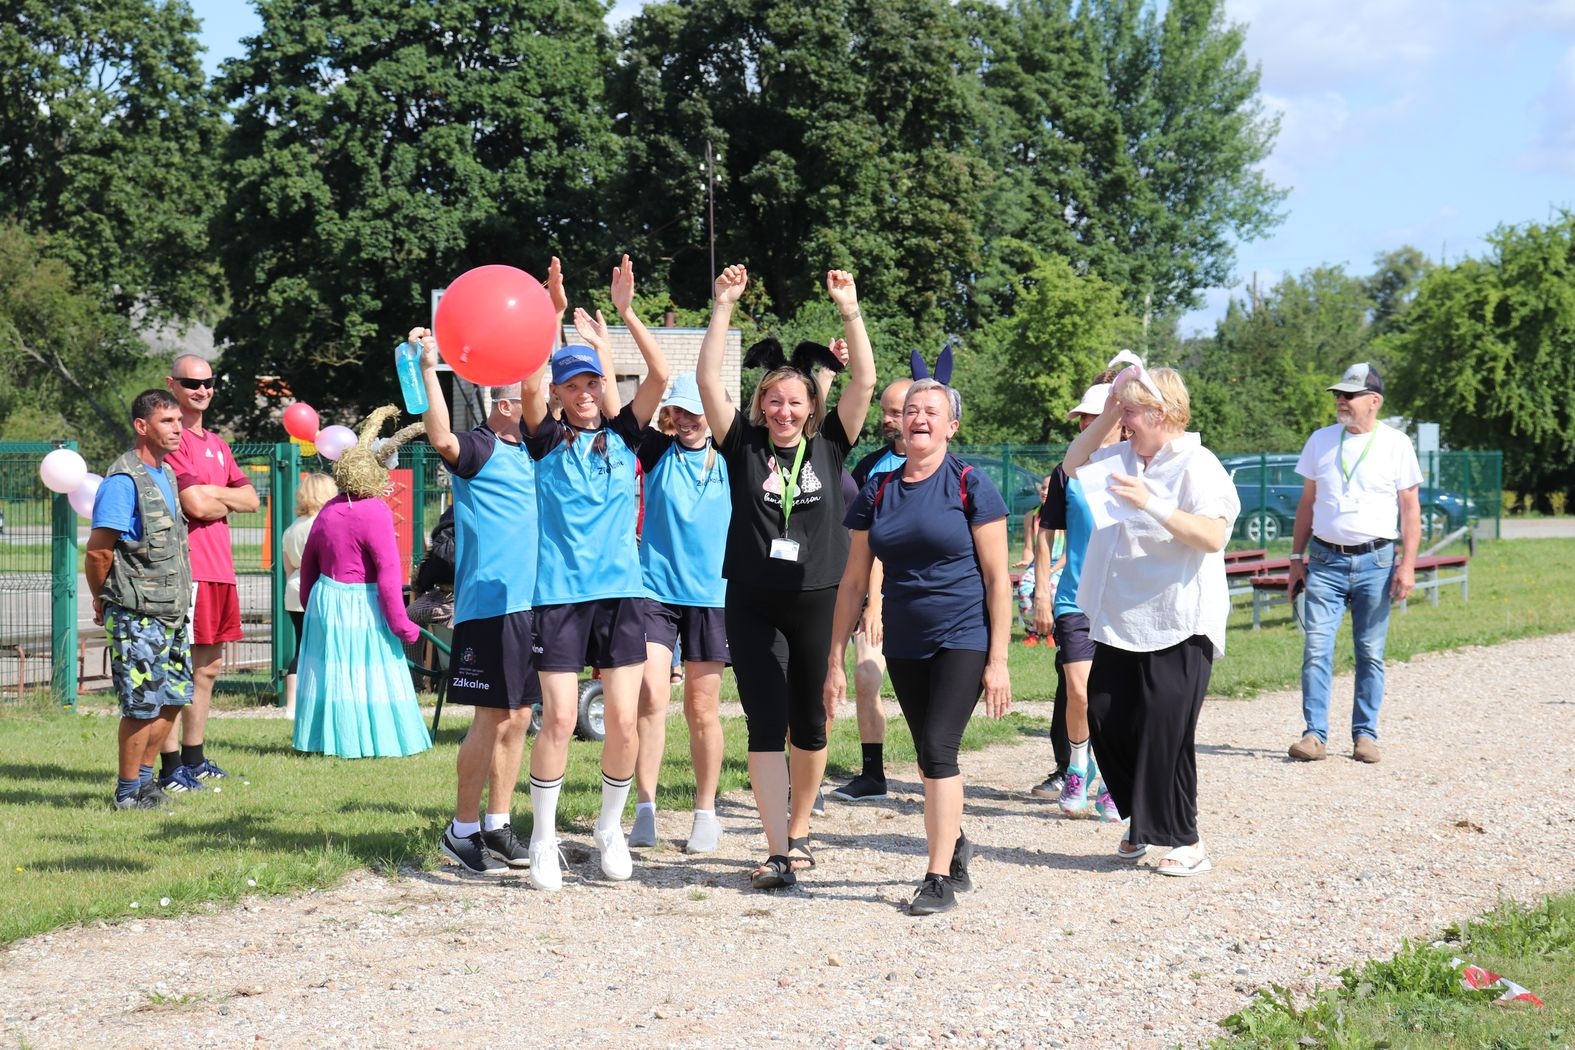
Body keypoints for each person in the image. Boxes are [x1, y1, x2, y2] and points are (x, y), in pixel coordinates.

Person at [420, 258, 618, 876]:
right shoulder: (478, 445)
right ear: (497, 402)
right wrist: (430, 371)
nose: (526, 401)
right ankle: (462, 828)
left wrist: (553, 319)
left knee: (522, 718)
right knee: (491, 719)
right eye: (514, 394)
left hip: (534, 602)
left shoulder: (536, 450)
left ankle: (501, 824)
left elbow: (547, 387)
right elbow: (440, 439)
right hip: (490, 604)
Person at [696, 263, 876, 890]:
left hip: (817, 598)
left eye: (794, 400)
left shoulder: (831, 442)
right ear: (760, 405)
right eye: (773, 399)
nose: (783, 409)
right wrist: (723, 306)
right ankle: (776, 849)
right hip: (752, 600)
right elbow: (705, 379)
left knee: (812, 720)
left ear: (811, 407)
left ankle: (799, 831)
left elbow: (866, 381)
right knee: (765, 721)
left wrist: (849, 310)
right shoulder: (740, 443)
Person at [827, 379, 1013, 914]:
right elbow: (853, 582)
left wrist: (998, 661)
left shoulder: (971, 485)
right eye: (912, 411)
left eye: (932, 412)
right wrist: (835, 656)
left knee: (937, 751)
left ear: (951, 425)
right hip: (905, 642)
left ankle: (937, 878)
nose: (920, 419)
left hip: (963, 635)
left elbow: (999, 580)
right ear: (899, 422)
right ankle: (953, 844)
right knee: (930, 757)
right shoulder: (878, 491)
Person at [522, 255, 669, 891]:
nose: (584, 393)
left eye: (591, 384)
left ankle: (609, 829)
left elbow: (661, 374)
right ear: (560, 394)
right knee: (557, 718)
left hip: (622, 597)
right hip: (559, 596)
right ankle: (543, 838)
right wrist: (552, 317)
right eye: (572, 385)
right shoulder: (545, 440)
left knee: (625, 716)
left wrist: (628, 316)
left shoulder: (626, 438)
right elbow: (529, 386)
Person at [1062, 363, 1238, 877]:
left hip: (1180, 620)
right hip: (1120, 617)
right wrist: (1112, 407)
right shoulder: (1123, 454)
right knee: (1106, 715)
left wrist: (1153, 504)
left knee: (1167, 732)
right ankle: (1140, 822)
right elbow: (1074, 463)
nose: (1125, 422)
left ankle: (1186, 841)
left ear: (1161, 413)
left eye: (1132, 412)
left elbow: (1212, 536)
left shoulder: (1197, 464)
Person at [1287, 362, 1420, 764]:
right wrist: (1296, 559)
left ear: (1374, 401)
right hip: (1325, 560)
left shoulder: (1397, 444)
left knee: (1370, 651)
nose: (1341, 401)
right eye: (1338, 395)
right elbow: (1307, 504)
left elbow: (1410, 509)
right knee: (1316, 648)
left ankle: (1365, 735)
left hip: (1377, 561)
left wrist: (1408, 564)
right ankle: (1314, 735)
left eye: (1350, 395)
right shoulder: (1320, 441)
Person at [628, 372, 731, 854]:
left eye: (697, 411)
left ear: (712, 413)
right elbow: (620, 404)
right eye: (681, 411)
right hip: (656, 591)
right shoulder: (655, 451)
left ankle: (705, 813)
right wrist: (620, 327)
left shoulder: (734, 457)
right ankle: (645, 808)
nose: (688, 420)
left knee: (701, 708)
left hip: (712, 597)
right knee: (650, 696)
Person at [292, 408, 432, 759]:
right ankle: (371, 739)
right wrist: (403, 625)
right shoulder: (375, 511)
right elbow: (387, 574)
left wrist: (313, 605)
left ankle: (326, 739)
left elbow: (310, 561)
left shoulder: (328, 509)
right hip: (361, 602)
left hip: (326, 598)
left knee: (333, 671)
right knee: (367, 671)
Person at [87, 389, 195, 810]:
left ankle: (147, 782)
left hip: (172, 611)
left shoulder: (166, 475)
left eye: (179, 422)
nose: (177, 430)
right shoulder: (123, 481)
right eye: (167, 422)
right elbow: (99, 551)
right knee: (141, 706)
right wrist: (104, 600)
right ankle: (127, 791)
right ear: (142, 426)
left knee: (172, 699)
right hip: (136, 613)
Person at [160, 353, 260, 790]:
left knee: (209, 668)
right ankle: (167, 768)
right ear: (172, 384)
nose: (202, 390)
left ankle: (194, 759)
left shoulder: (218, 444)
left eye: (209, 382)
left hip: (221, 569)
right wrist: (221, 498)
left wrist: (212, 494)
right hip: (191, 570)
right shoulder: (172, 439)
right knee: (176, 669)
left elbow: (252, 499)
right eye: (191, 382)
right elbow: (195, 505)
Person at [1033, 383, 1121, 818]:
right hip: (1074, 599)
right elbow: (1045, 535)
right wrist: (1041, 595)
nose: (1086, 424)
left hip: (1123, 600)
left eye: (1094, 416)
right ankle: (1077, 767)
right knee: (1078, 690)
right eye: (1083, 418)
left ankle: (1110, 777)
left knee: (1116, 696)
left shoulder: (1136, 466)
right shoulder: (1066, 472)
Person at [827, 376, 911, 803]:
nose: (888, 419)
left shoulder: (943, 468)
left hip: (914, 596)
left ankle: (937, 764)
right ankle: (871, 774)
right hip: (869, 593)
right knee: (864, 674)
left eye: (896, 411)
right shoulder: (868, 468)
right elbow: (859, 539)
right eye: (886, 411)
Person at [281, 473, 338, 720]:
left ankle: (291, 706)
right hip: (319, 589)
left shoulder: (292, 528)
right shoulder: (325, 523)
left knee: (301, 646)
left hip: (294, 589)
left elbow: (289, 568)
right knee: (324, 647)